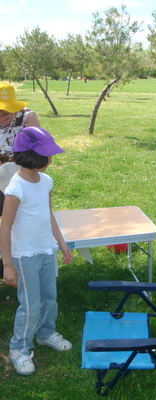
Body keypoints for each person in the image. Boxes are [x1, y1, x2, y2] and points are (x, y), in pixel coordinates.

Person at [0, 126, 73, 376]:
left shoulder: (46, 181)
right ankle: (19, 348)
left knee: (49, 297)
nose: (50, 160)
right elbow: (5, 226)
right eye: (46, 156)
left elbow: (48, 214)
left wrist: (61, 243)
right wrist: (7, 264)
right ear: (30, 156)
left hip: (45, 250)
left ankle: (45, 333)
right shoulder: (15, 188)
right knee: (30, 304)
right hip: (24, 255)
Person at [0, 82, 41, 212]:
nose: (1, 117)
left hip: (19, 177)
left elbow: (40, 151)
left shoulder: (27, 117)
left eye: (6, 113)